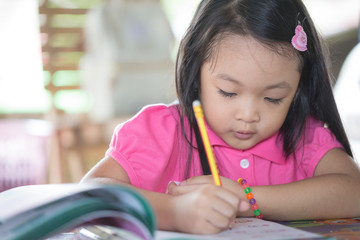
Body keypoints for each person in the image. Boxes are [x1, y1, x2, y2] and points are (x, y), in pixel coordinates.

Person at [81, 0, 360, 235]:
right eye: (228, 92)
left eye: (273, 98)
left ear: (299, 88)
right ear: (195, 71)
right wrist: (174, 212)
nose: (248, 115)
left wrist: (245, 198)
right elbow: (92, 192)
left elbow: (353, 191)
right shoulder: (162, 131)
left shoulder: (303, 136)